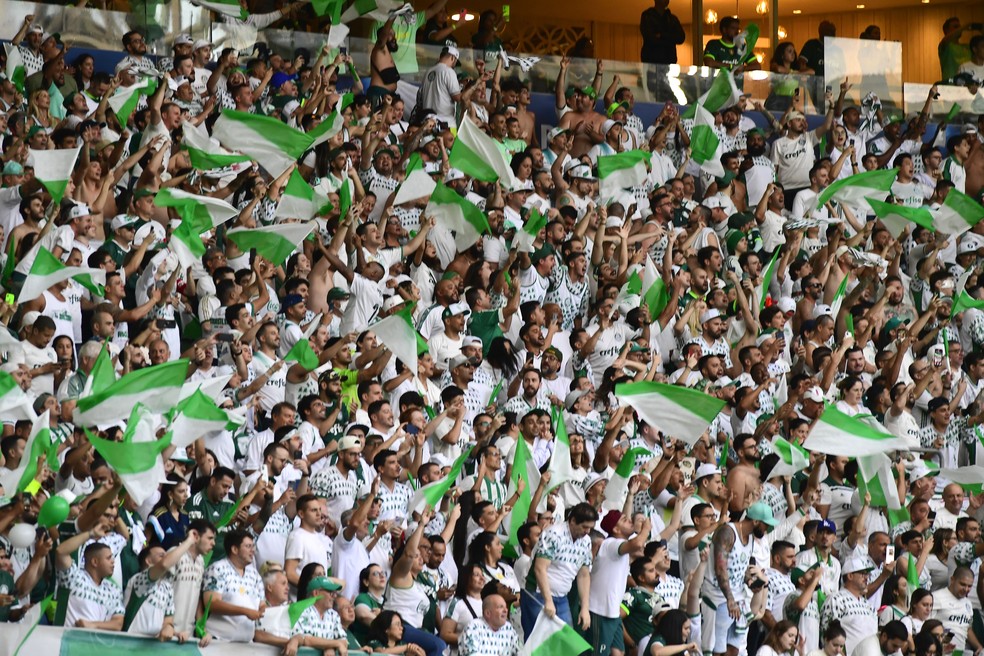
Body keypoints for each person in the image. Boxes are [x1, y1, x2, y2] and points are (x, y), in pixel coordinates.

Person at [520, 502, 598, 639]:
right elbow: (540, 568)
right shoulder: (554, 533)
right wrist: (548, 600)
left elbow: (584, 575)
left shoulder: (586, 541)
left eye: (590, 528)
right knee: (537, 642)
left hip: (562, 596)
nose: (587, 531)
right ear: (572, 521)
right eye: (584, 527)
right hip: (537, 593)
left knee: (565, 642)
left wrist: (585, 608)